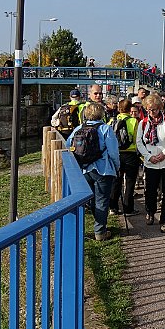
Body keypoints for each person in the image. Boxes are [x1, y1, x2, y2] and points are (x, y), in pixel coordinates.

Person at [64, 102, 119, 241]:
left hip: (84, 169)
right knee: (102, 200)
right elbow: (113, 152)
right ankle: (100, 231)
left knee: (91, 200)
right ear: (101, 114)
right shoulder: (105, 129)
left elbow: (67, 144)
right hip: (103, 169)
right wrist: (117, 166)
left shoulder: (79, 128)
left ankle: (90, 227)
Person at [136, 94, 165, 233]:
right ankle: (150, 212)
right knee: (150, 192)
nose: (151, 113)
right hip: (151, 163)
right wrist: (148, 157)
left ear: (160, 108)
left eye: (154, 110)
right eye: (148, 110)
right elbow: (139, 142)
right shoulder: (143, 123)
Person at [111, 99, 140, 216]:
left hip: (116, 154)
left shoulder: (112, 121)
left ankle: (113, 207)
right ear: (130, 109)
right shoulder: (134, 121)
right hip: (130, 154)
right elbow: (136, 139)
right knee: (130, 182)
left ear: (119, 108)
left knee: (116, 181)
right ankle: (128, 208)